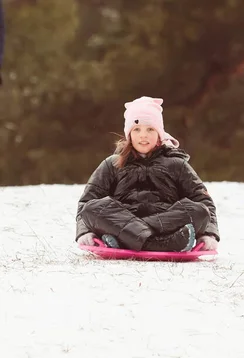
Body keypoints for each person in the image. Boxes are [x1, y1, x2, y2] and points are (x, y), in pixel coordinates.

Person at [75, 96, 220, 252]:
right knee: (91, 209)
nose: (143, 135)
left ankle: (128, 240)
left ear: (159, 133)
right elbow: (88, 201)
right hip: (122, 219)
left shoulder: (176, 164)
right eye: (137, 129)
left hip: (161, 224)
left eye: (150, 129)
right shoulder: (112, 164)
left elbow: (202, 199)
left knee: (200, 211)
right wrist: (85, 231)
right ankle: (163, 244)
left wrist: (209, 234)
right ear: (129, 134)